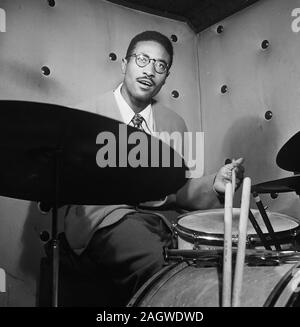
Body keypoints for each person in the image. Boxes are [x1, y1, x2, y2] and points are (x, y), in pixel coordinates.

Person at [62, 31, 244, 306]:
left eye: (160, 66)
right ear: (125, 64)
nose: (150, 71)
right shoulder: (84, 114)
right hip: (104, 219)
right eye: (142, 59)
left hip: (161, 221)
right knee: (156, 266)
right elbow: (68, 183)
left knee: (210, 266)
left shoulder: (176, 123)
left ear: (166, 76)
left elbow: (182, 189)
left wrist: (215, 183)